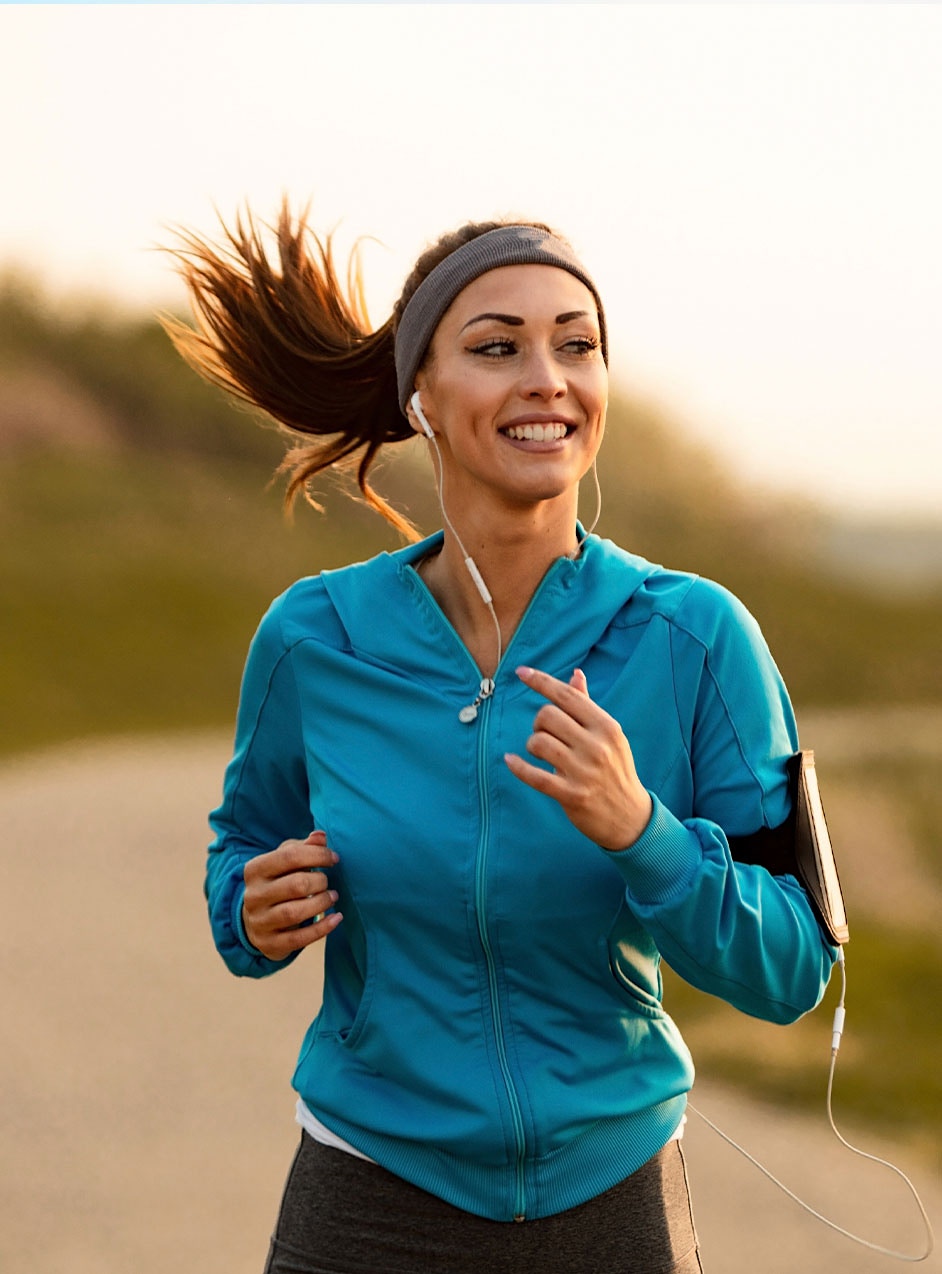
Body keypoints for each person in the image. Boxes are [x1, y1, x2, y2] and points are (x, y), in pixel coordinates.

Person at [167, 206, 839, 1274]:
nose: (548, 379)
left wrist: (645, 833)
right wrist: (248, 910)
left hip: (609, 1201)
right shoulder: (315, 638)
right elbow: (240, 852)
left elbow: (795, 965)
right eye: (497, 348)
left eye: (577, 345)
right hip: (366, 1193)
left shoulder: (696, 636)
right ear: (420, 396)